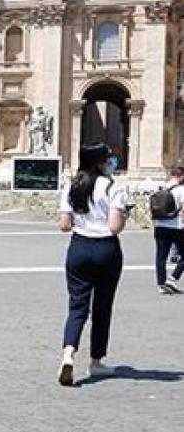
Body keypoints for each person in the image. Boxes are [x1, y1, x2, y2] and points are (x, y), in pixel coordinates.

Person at [56, 143, 129, 386]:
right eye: (108, 159)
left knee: (77, 307)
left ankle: (68, 353)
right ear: (100, 162)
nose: (110, 162)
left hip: (78, 248)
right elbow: (114, 226)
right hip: (106, 250)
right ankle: (96, 362)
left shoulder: (72, 186)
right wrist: (126, 215)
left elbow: (64, 225)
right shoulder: (112, 186)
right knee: (102, 308)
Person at [152, 164, 184, 294]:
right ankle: (173, 277)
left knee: (161, 256)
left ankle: (161, 284)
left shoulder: (161, 187)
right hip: (175, 226)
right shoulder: (181, 190)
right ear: (181, 176)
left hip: (159, 225)